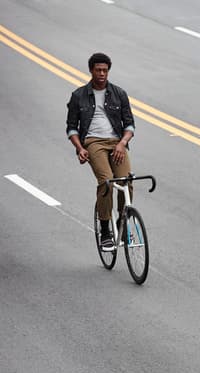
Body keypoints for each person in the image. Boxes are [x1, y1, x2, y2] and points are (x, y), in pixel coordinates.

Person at [66, 52, 135, 251]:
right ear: (91, 70)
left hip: (117, 142)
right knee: (107, 182)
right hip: (93, 142)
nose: (102, 74)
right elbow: (71, 128)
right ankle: (106, 230)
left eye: (105, 70)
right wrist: (80, 148)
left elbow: (130, 125)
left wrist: (122, 143)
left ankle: (123, 226)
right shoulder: (79, 95)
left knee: (126, 181)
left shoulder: (119, 93)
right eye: (98, 70)